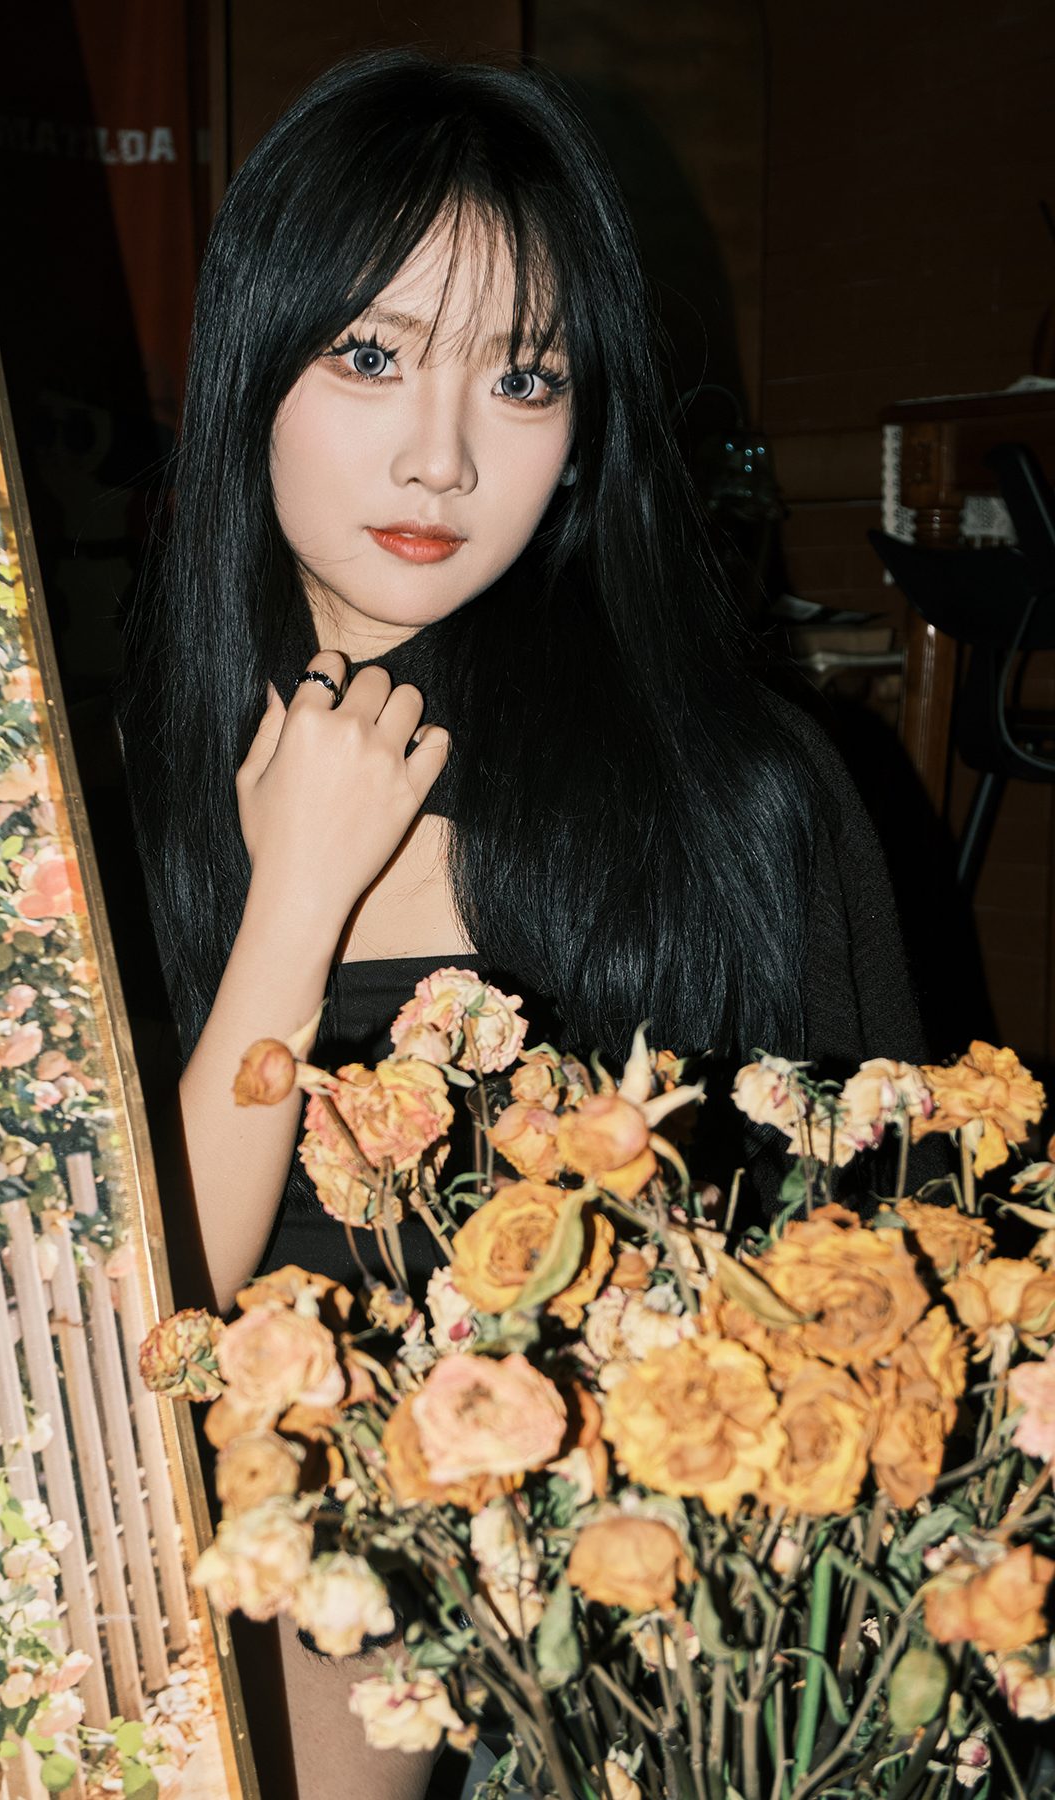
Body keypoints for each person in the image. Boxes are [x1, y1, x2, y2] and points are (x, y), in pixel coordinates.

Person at [116, 47, 942, 1800]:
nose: (441, 456)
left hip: (655, 1672)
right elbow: (137, 1330)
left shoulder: (740, 795)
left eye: (523, 377)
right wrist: (295, 903)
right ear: (253, 372)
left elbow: (865, 1331)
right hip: (269, 1605)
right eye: (371, 356)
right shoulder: (134, 788)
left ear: (581, 437)